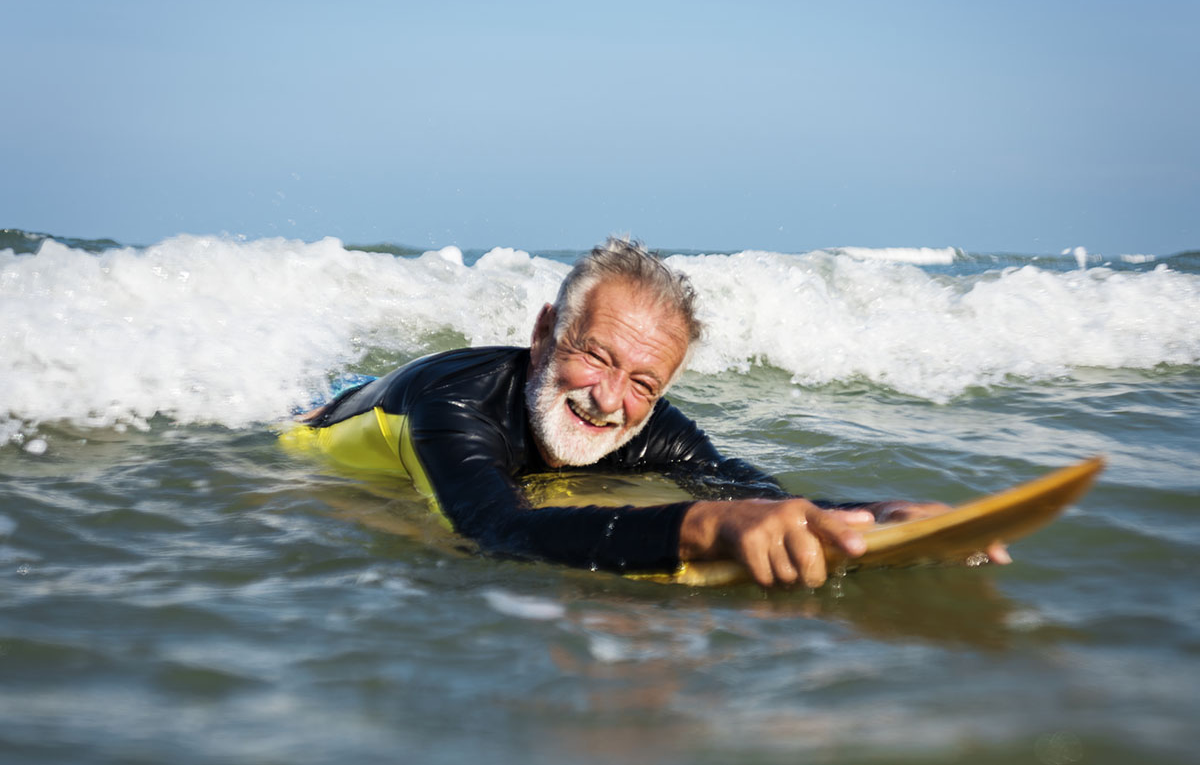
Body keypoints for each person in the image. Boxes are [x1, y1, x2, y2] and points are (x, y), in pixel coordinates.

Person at [294, 238, 1009, 587]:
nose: (610, 401)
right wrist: (696, 528)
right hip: (316, 425)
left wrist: (874, 516)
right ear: (545, 333)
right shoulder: (451, 403)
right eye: (597, 357)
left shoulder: (647, 421)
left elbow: (745, 491)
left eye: (643, 380)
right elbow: (492, 530)